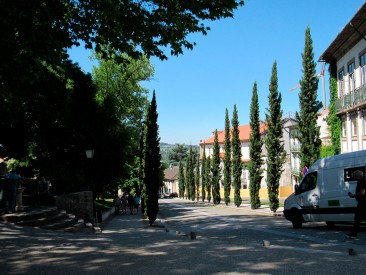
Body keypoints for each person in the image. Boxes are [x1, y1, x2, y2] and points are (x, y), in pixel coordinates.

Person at [346, 170, 366, 238]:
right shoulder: (360, 182)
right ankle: (354, 233)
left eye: (355, 175)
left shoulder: (362, 182)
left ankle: (354, 233)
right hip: (362, 203)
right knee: (357, 219)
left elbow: (362, 192)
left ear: (358, 175)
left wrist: (353, 195)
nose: (354, 176)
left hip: (363, 204)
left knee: (357, 218)